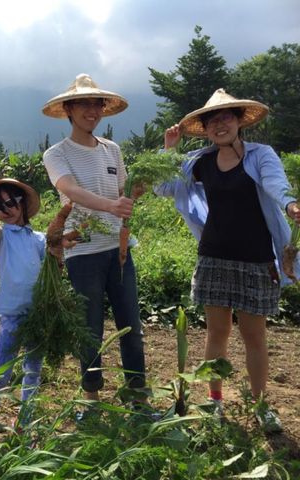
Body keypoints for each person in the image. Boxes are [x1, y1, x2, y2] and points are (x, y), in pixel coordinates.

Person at [157, 88, 300, 432]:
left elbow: (275, 183)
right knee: (217, 334)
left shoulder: (260, 155)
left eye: (226, 117)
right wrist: (168, 151)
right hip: (214, 257)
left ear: (239, 121)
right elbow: (163, 187)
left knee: (255, 336)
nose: (219, 124)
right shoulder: (200, 161)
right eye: (212, 121)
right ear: (205, 129)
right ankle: (215, 401)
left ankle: (261, 404)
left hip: (256, 260)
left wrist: (291, 204)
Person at [41, 73, 147, 409]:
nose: (92, 110)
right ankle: (92, 396)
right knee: (90, 329)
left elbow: (122, 193)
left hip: (119, 251)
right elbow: (70, 189)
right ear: (69, 110)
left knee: (131, 326)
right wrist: (112, 205)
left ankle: (137, 396)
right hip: (82, 253)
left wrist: (135, 192)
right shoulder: (56, 154)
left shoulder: (112, 150)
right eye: (83, 104)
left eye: (96, 104)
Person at [0, 178, 46, 449]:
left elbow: (52, 262)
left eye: (12, 202)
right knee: (1, 372)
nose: (7, 209)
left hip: (37, 314)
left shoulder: (38, 239)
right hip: (12, 316)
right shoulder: (1, 236)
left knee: (33, 371)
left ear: (23, 203)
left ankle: (25, 425)